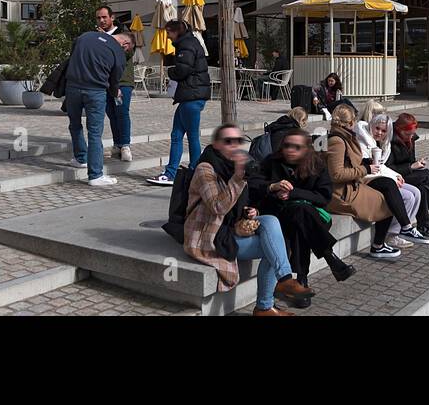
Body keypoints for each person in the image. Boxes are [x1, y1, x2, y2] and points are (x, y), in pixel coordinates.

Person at [183, 123, 314, 316]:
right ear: (217, 144)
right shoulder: (205, 169)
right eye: (228, 141)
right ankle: (264, 306)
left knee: (270, 221)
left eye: (238, 141)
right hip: (208, 236)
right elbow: (218, 207)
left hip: (229, 229)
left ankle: (284, 280)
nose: (235, 145)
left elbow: (240, 202)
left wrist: (251, 211)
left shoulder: (232, 166)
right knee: (275, 249)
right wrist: (238, 177)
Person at [249, 127, 356, 291]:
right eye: (287, 145)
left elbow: (323, 198)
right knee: (300, 218)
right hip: (281, 215)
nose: (290, 150)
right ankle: (328, 259)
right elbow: (254, 185)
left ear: (306, 149)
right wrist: (273, 188)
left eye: (296, 147)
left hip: (313, 217)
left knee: (301, 216)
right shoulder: (272, 162)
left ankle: (301, 282)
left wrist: (294, 193)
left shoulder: (316, 165)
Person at [324, 104, 401, 260]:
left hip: (348, 187)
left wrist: (365, 163)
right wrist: (365, 169)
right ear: (351, 121)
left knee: (387, 193)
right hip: (341, 193)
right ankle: (378, 246)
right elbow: (337, 174)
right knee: (385, 201)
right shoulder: (338, 141)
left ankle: (382, 242)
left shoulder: (340, 136)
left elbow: (348, 162)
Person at [64, 21, 135, 186]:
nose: (124, 51)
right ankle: (95, 175)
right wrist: (115, 91)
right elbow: (115, 79)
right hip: (95, 91)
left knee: (74, 124)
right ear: (125, 43)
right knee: (95, 133)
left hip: (72, 88)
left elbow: (73, 54)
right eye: (126, 49)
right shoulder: (117, 52)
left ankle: (80, 158)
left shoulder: (85, 37)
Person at [146, 20, 211, 186]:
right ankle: (174, 172)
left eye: (169, 33)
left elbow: (183, 69)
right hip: (192, 96)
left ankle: (191, 172)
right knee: (177, 135)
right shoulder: (191, 42)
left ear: (176, 32)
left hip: (192, 96)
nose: (167, 37)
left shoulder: (186, 45)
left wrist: (170, 71)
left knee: (191, 136)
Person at [360, 112, 429, 245]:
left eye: (383, 130)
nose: (379, 132)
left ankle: (402, 231)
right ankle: (394, 233)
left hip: (381, 177)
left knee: (417, 192)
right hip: (368, 180)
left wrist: (395, 175)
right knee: (408, 196)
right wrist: (396, 174)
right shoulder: (364, 141)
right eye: (377, 128)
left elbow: (383, 167)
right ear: (371, 126)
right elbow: (373, 169)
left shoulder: (385, 144)